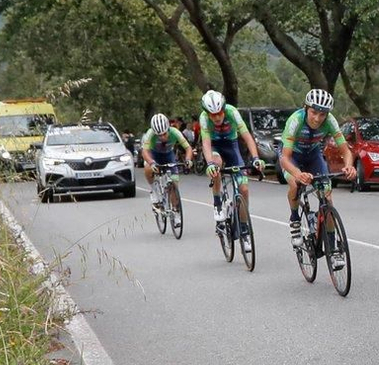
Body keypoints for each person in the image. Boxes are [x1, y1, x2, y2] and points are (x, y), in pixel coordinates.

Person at [279, 89, 357, 255]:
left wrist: (349, 166)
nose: (317, 118)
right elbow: (284, 159)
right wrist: (298, 174)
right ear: (306, 108)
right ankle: (294, 220)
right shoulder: (296, 120)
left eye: (322, 114)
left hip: (313, 155)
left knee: (327, 200)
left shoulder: (330, 121)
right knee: (295, 183)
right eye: (314, 112)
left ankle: (332, 247)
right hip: (293, 156)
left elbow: (345, 150)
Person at [197, 90, 263, 239]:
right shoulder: (203, 118)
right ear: (207, 113)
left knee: (244, 189)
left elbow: (247, 136)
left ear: (224, 108)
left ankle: (244, 228)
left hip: (231, 145)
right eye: (213, 115)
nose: (217, 117)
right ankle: (217, 203)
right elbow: (206, 143)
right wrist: (209, 164)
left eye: (220, 113)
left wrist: (255, 158)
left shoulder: (232, 112)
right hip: (214, 146)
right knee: (216, 164)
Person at [140, 114, 194, 205]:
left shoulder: (175, 132)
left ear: (168, 129)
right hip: (154, 155)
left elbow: (188, 148)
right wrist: (151, 163)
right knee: (147, 168)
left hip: (169, 155)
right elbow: (144, 152)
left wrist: (188, 159)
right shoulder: (150, 133)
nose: (162, 137)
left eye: (164, 134)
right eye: (159, 135)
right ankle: (154, 190)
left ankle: (175, 211)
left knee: (174, 185)